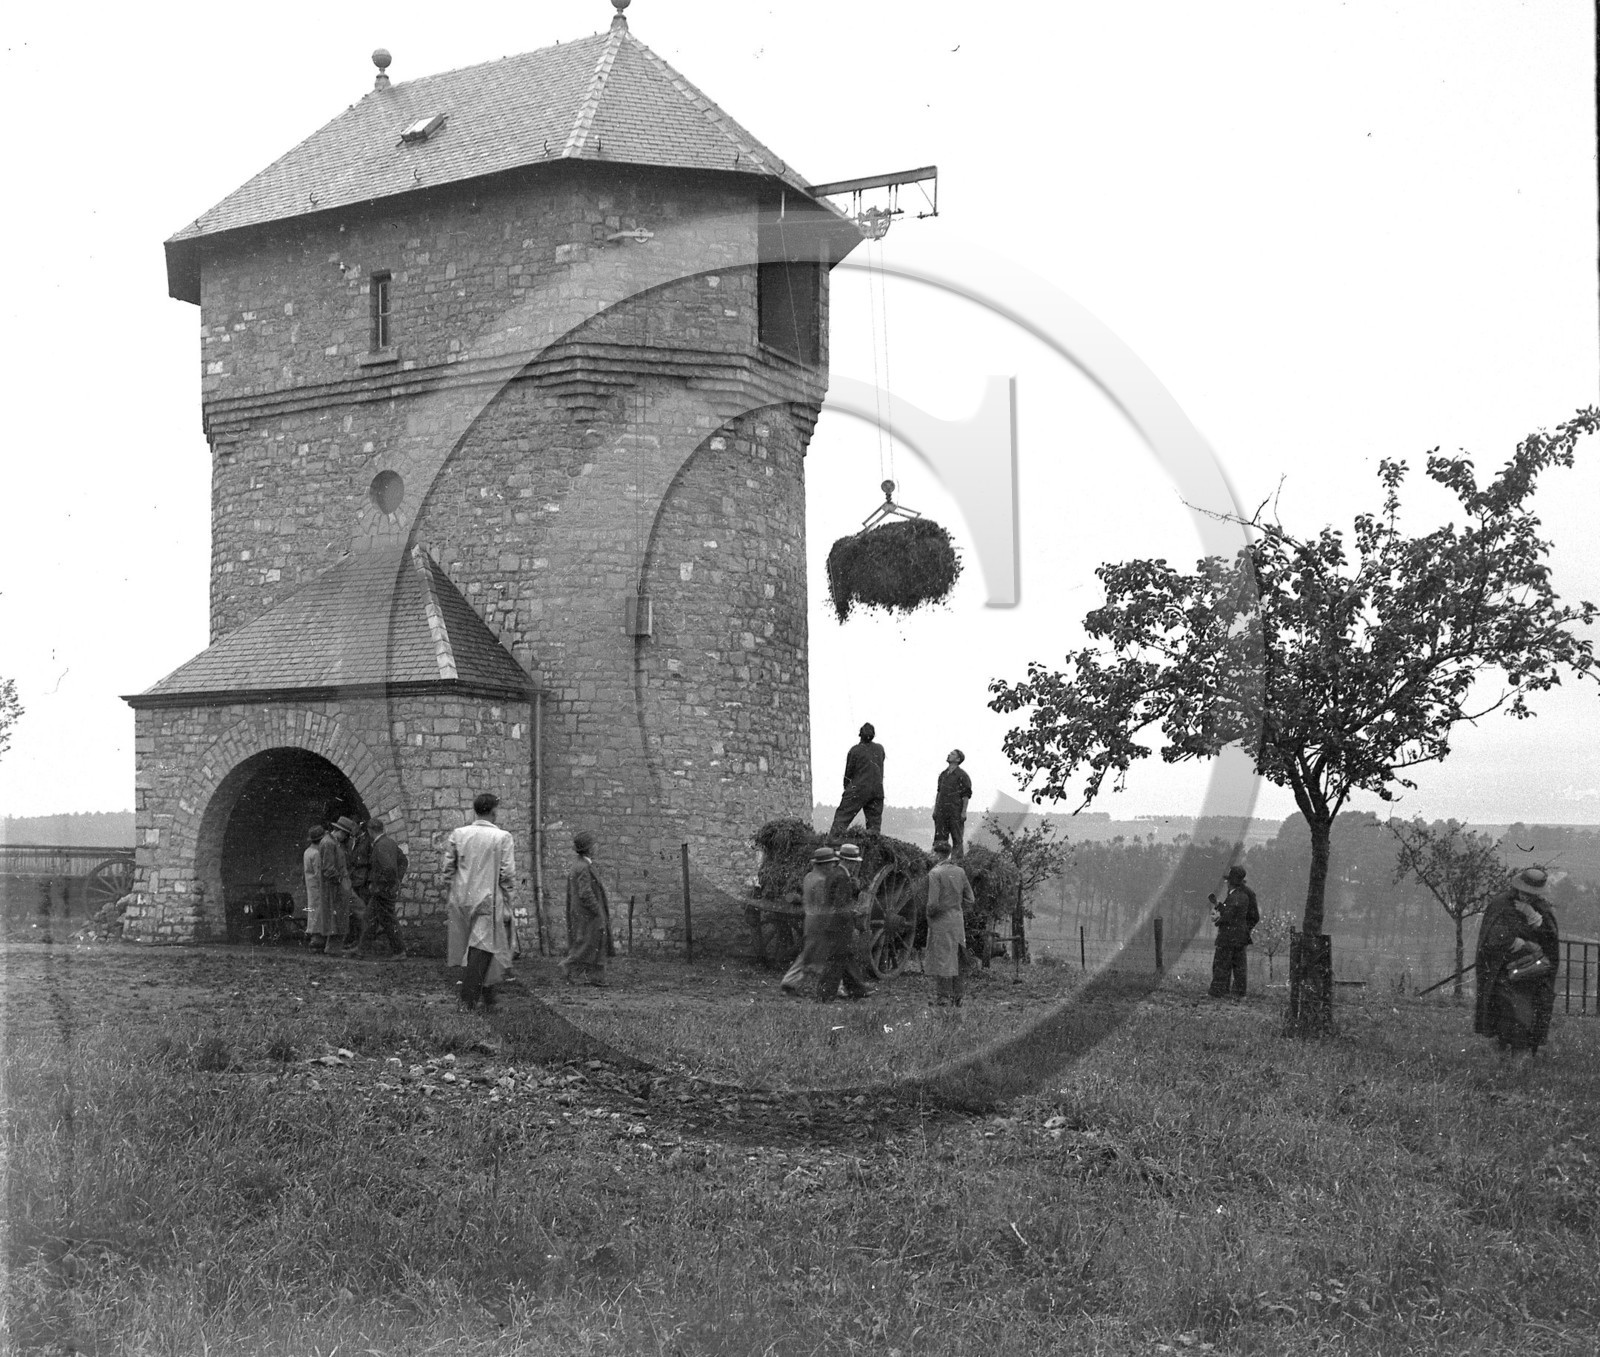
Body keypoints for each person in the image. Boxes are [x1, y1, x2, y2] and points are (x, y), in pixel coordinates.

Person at [1474, 866, 1560, 1054]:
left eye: (1532, 894)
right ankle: (1502, 1052)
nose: (1526, 897)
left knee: (1525, 1017)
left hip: (1530, 974)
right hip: (1501, 971)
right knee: (1504, 1014)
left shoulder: (1541, 909)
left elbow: (1550, 943)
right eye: (1524, 892)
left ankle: (1520, 1056)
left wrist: (1533, 918)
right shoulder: (1501, 904)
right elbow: (1491, 937)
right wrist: (1514, 941)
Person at [444, 793, 517, 1010]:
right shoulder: (502, 837)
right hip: (488, 899)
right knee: (482, 949)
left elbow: (448, 869)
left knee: (484, 949)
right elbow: (507, 874)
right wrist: (508, 900)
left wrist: (454, 890)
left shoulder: (459, 834)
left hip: (461, 898)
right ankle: (467, 1001)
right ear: (494, 811)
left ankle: (490, 998)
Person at [815, 842, 876, 1001]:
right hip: (839, 925)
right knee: (836, 960)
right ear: (849, 861)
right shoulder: (842, 877)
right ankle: (825, 994)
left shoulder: (834, 873)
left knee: (845, 956)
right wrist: (854, 913)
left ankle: (857, 989)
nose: (856, 866)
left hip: (831, 922)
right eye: (855, 863)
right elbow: (841, 904)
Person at [781, 845, 838, 996]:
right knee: (817, 955)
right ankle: (790, 981)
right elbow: (822, 905)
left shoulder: (808, 877)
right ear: (824, 864)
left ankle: (791, 980)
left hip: (810, 921)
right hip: (819, 922)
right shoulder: (821, 881)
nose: (833, 865)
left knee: (810, 954)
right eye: (831, 862)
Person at [925, 838, 975, 1006]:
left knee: (943, 958)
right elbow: (970, 899)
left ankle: (943, 997)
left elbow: (932, 903)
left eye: (933, 853)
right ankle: (958, 997)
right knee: (958, 957)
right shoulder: (960, 872)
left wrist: (929, 915)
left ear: (937, 854)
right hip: (957, 921)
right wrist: (958, 910)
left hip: (941, 921)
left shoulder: (935, 873)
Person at [562, 831, 614, 986]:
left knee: (594, 943)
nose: (596, 847)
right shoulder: (583, 867)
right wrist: (597, 910)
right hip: (589, 914)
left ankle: (596, 976)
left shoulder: (580, 865)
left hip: (585, 913)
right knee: (588, 944)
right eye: (594, 845)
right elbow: (585, 893)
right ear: (589, 848)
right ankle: (570, 968)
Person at [1207, 864, 1259, 999]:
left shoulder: (1235, 895)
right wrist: (1244, 929)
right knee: (1239, 967)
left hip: (1227, 937)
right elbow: (1251, 916)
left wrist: (1218, 919)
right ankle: (1238, 993)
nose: (1227, 883)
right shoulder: (1246, 894)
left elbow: (1229, 915)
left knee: (1221, 964)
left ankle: (1218, 992)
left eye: (1228, 880)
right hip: (1241, 937)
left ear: (1231, 881)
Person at [318, 817, 364, 957]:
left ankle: (333, 948)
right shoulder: (328, 844)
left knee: (340, 917)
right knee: (356, 911)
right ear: (338, 831)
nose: (346, 837)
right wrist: (341, 882)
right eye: (345, 833)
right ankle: (339, 947)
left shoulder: (334, 842)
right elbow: (328, 869)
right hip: (337, 887)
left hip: (340, 885)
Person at [829, 724, 886, 836]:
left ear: (860, 735)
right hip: (877, 791)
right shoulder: (880, 749)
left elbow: (848, 774)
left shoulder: (855, 751)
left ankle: (833, 844)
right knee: (874, 828)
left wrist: (847, 790)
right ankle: (872, 849)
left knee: (841, 818)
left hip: (858, 789)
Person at [366, 817, 409, 957]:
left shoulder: (380, 845)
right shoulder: (389, 842)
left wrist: (391, 883)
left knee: (389, 920)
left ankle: (400, 951)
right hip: (383, 889)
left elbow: (389, 867)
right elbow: (403, 860)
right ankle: (362, 949)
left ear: (370, 831)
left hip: (382, 890)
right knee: (369, 917)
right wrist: (398, 880)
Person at [932, 750, 973, 857]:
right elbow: (939, 792)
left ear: (958, 759)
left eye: (952, 754)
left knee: (957, 839)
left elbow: (966, 795)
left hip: (955, 812)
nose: (949, 755)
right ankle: (939, 862)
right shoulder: (943, 774)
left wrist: (963, 812)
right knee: (940, 840)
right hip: (941, 812)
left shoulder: (962, 775)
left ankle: (957, 864)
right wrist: (935, 810)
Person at [345, 820, 374, 950]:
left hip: (362, 880)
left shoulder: (367, 841)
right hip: (354, 879)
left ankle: (362, 942)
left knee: (362, 911)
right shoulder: (353, 841)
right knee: (354, 913)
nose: (351, 830)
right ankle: (355, 939)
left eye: (353, 827)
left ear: (359, 827)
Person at [302, 826, 328, 951]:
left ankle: (314, 936)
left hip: (311, 886)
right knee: (318, 911)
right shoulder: (317, 853)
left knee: (313, 910)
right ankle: (317, 938)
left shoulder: (307, 851)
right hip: (318, 887)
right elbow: (319, 873)